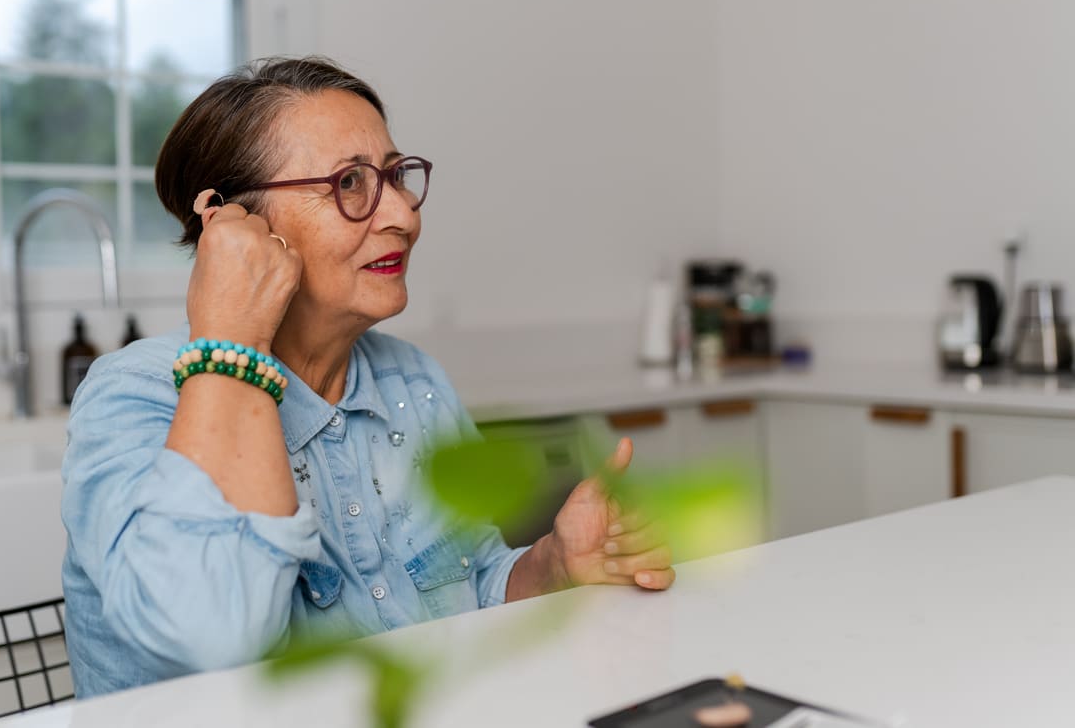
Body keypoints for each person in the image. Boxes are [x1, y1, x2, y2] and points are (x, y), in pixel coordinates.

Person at [60, 57, 674, 698]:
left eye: (396, 176)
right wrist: (231, 339)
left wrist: (552, 565)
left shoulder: (413, 381)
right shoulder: (134, 396)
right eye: (350, 183)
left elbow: (471, 587)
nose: (404, 215)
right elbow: (211, 640)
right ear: (231, 225)